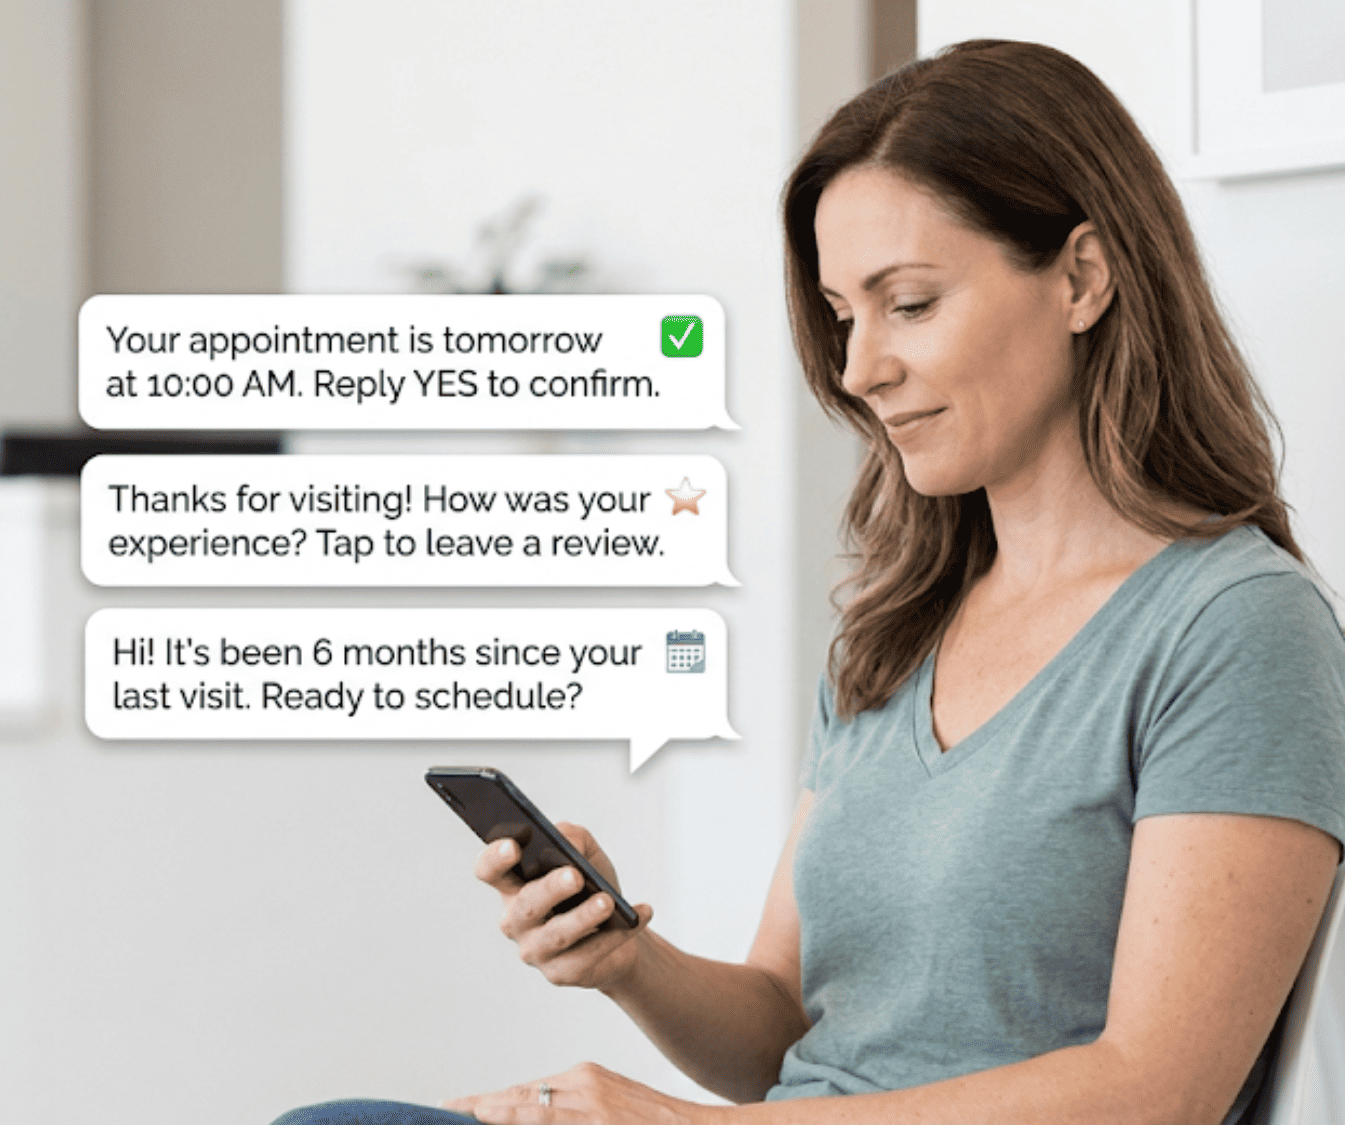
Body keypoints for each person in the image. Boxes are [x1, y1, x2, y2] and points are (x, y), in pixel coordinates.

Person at [275, 39, 1345, 1125]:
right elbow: (784, 1034)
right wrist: (627, 958)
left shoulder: (1234, 628)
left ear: (1079, 277)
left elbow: (1155, 1091)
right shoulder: (896, 631)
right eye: (842, 314)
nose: (856, 368)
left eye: (909, 303)